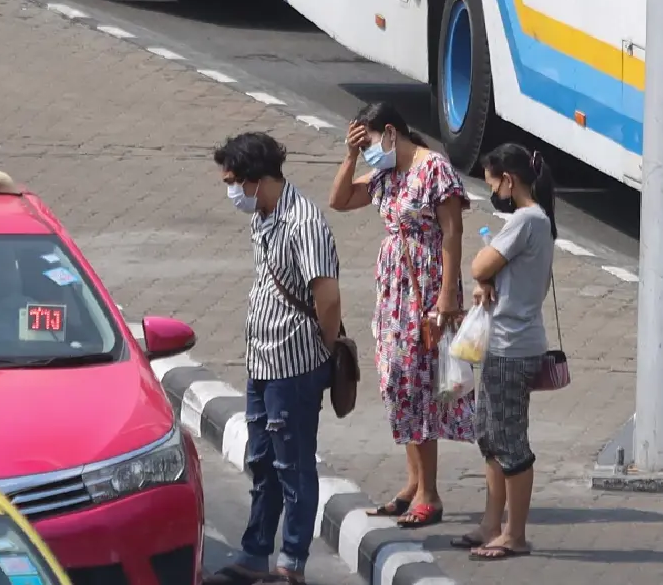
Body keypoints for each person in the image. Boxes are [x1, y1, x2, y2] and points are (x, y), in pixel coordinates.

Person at [207, 132, 343, 585]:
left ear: (258, 179)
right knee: (263, 462)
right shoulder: (263, 217)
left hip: (294, 365)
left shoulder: (303, 222)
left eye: (234, 181)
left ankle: (292, 562)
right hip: (261, 363)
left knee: (294, 467)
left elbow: (327, 296)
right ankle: (254, 553)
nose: (232, 191)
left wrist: (320, 350)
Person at [328, 103, 471, 528]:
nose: (369, 151)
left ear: (389, 132)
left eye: (368, 141)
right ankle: (413, 482)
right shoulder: (386, 173)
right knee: (397, 383)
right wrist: (351, 155)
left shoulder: (434, 169)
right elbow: (339, 199)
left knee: (418, 384)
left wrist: (446, 297)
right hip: (394, 293)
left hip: (426, 288)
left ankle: (430, 492)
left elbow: (452, 232)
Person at [452, 143, 556, 562]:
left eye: (493, 182)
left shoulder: (527, 220)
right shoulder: (535, 222)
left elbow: (479, 266)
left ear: (509, 181)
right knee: (490, 436)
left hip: (514, 346)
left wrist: (484, 271)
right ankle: (491, 523)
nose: (493, 190)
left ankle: (514, 533)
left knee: (510, 441)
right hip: (504, 342)